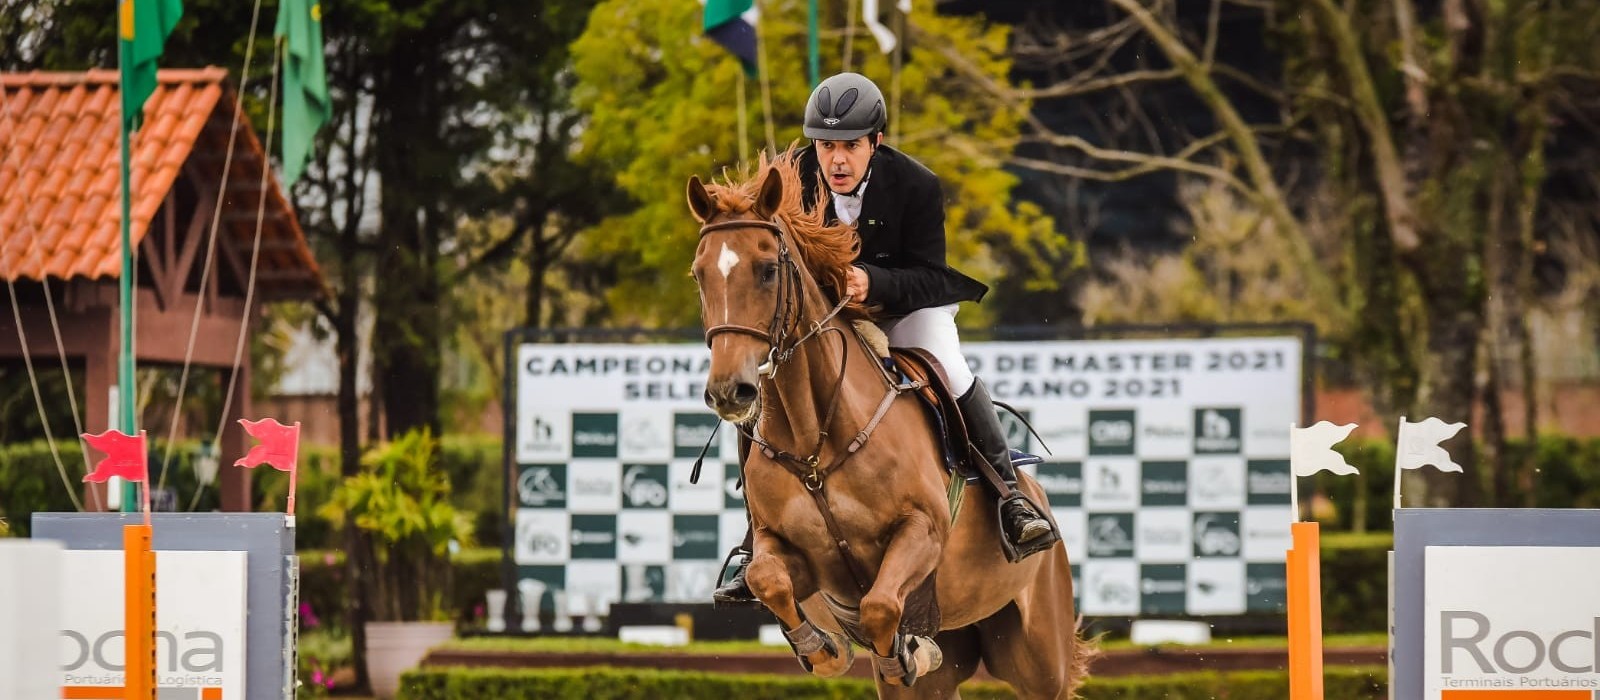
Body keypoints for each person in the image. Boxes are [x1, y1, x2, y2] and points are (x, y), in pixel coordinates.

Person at [714, 72, 1059, 607]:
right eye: (826, 146)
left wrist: (874, 282)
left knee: (949, 366)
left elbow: (931, 275)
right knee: (771, 387)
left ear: (875, 142)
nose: (837, 161)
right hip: (828, 316)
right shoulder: (797, 180)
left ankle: (1010, 498)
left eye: (850, 146)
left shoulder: (916, 184)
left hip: (907, 309)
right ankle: (751, 535)